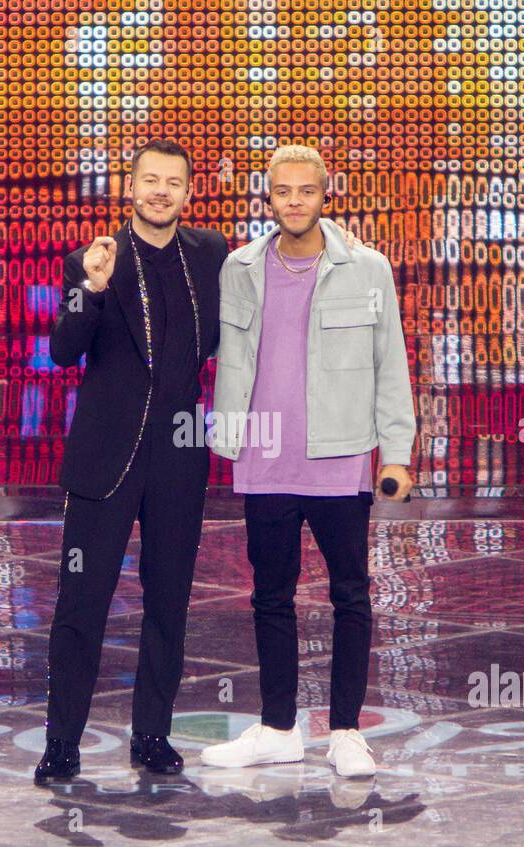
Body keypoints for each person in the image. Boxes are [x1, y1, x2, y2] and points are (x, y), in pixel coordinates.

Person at [201, 144, 418, 778]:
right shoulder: (239, 268)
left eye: (306, 190)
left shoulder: (368, 269)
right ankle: (277, 728)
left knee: (350, 595)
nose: (294, 202)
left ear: (327, 194)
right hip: (265, 454)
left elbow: (391, 367)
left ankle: (347, 730)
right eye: (282, 191)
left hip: (340, 455)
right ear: (267, 198)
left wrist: (397, 454)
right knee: (271, 596)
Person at [37, 139, 227, 783]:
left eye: (174, 182)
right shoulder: (91, 260)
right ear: (131, 186)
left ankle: (153, 734)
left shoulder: (213, 254)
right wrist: (87, 288)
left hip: (179, 452)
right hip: (104, 455)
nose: (161, 192)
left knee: (169, 600)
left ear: (189, 192)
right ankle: (61, 742)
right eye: (151, 180)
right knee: (82, 601)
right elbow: (63, 350)